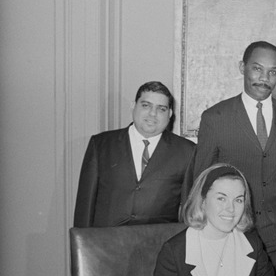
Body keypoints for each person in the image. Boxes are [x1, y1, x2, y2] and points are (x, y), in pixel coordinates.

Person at [182, 41, 276, 273]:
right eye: (257, 69)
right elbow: (201, 184)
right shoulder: (215, 118)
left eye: (273, 72)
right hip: (230, 234)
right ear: (241, 67)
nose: (264, 78)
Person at [150, 164, 276, 276]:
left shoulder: (250, 242)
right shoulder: (174, 251)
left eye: (238, 200)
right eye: (221, 198)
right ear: (202, 201)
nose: (231, 209)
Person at [73, 81, 195, 227]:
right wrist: (81, 245)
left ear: (169, 114)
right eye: (146, 105)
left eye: (161, 109)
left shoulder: (186, 151)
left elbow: (189, 210)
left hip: (158, 245)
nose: (152, 114)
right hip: (105, 244)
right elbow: (85, 205)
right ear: (133, 106)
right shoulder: (101, 145)